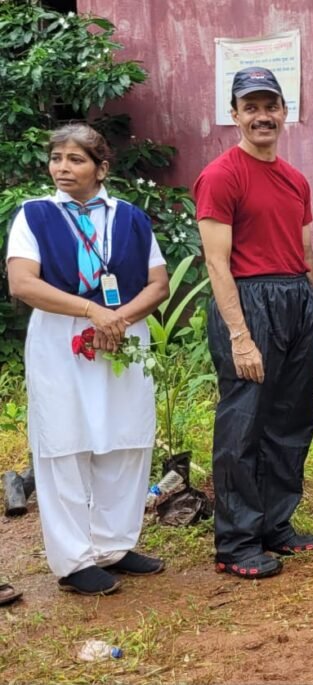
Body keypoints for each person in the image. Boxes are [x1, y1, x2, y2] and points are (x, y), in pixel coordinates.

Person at [6, 123, 169, 595]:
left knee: (125, 436)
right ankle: (74, 560)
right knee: (65, 441)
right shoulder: (33, 216)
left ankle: (114, 545)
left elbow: (158, 283)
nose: (62, 168)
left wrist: (117, 319)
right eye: (57, 158)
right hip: (62, 335)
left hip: (122, 334)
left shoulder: (132, 218)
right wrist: (93, 311)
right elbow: (24, 283)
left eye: (75, 160)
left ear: (102, 167)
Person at [194, 67, 313, 579]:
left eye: (269, 105)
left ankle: (276, 524)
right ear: (234, 115)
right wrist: (239, 335)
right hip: (249, 302)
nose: (262, 116)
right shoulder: (221, 175)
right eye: (250, 107)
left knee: (291, 420)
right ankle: (236, 542)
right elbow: (216, 263)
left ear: (284, 112)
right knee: (244, 425)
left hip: (295, 299)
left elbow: (304, 255)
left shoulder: (296, 179)